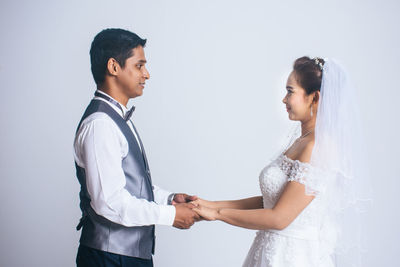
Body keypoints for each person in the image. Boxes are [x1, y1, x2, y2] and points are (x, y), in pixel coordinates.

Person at [193, 57, 371, 266]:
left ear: (315, 98)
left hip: (294, 257)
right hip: (269, 250)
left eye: (290, 91)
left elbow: (280, 217)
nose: (284, 100)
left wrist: (217, 214)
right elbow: (271, 201)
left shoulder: (318, 147)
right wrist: (208, 204)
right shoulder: (302, 140)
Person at [73, 28, 200, 267]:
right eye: (139, 65)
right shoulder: (101, 124)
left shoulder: (115, 119)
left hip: (125, 257)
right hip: (109, 258)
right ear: (114, 67)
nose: (147, 74)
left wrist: (169, 199)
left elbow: (127, 185)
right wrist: (170, 216)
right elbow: (109, 202)